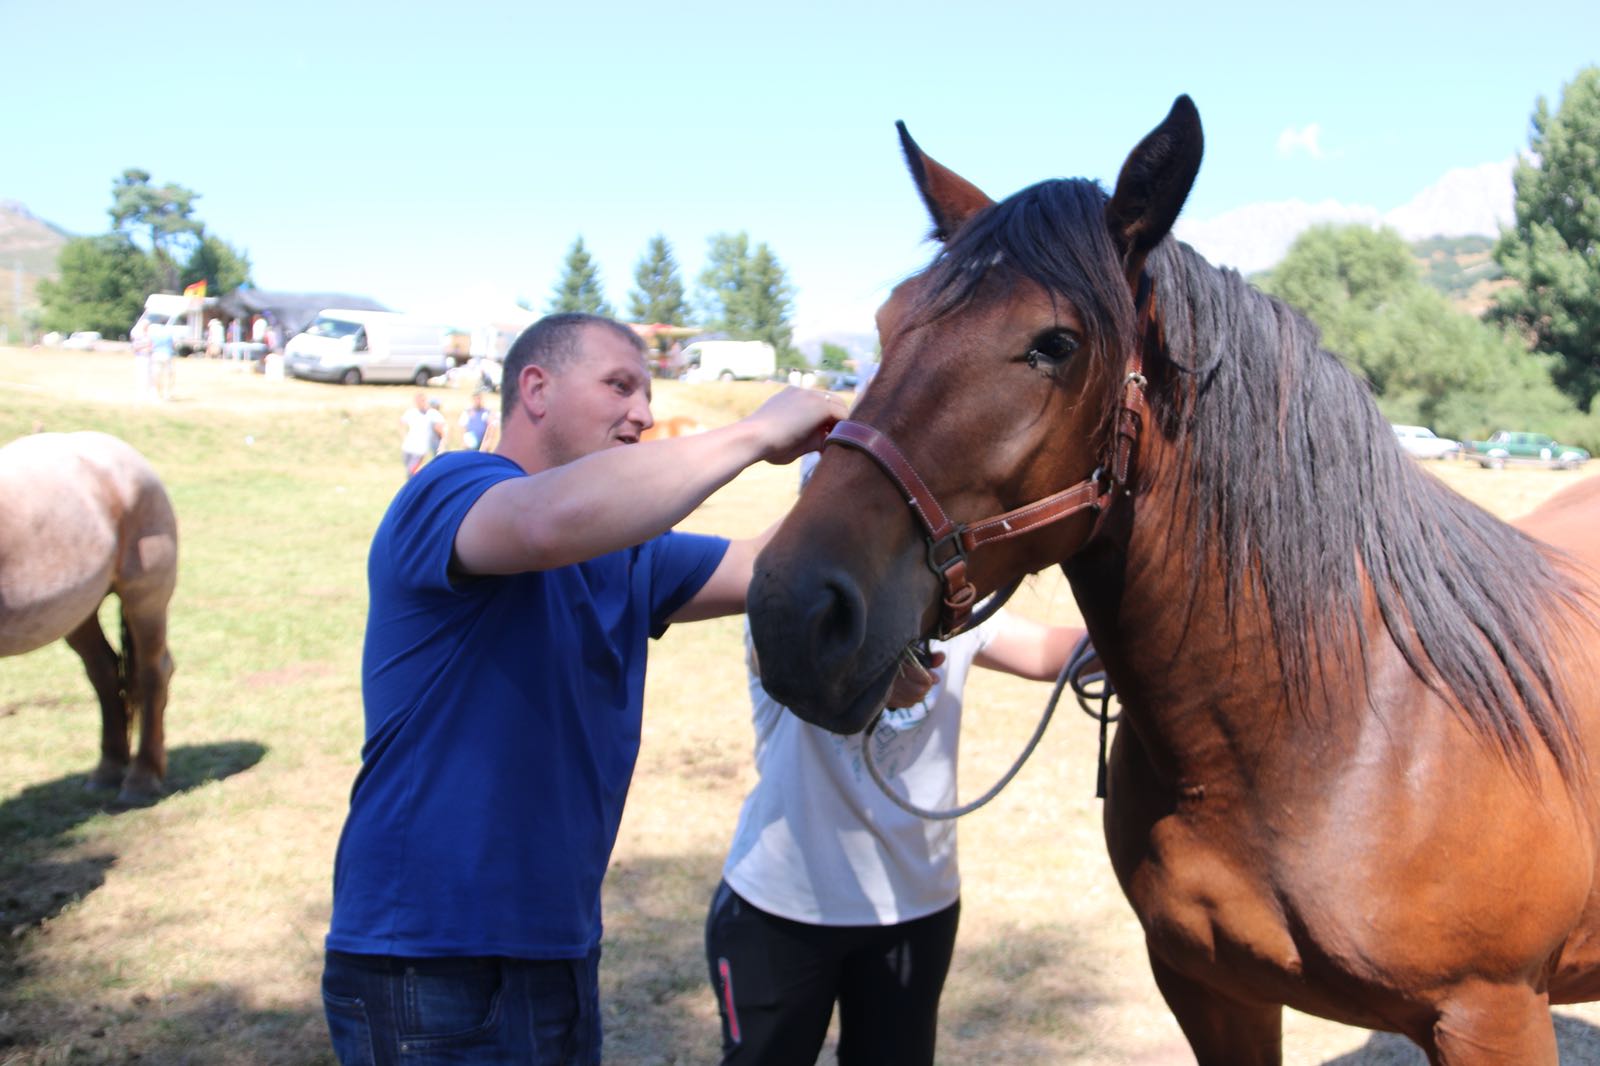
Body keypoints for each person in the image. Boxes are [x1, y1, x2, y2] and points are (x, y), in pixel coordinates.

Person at [321, 312, 844, 1065]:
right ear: (535, 388)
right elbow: (544, 522)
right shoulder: (451, 488)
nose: (645, 412)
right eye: (619, 385)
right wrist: (753, 432)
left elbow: (773, 567)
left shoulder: (628, 554)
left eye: (647, 392)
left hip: (559, 945)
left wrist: (861, 467)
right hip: (428, 955)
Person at [706, 608, 1084, 1066]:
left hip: (916, 908)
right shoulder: (798, 599)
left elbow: (1048, 652)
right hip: (782, 910)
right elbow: (782, 659)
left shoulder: (953, 611)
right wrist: (880, 672)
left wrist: (1165, 619)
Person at [399, 391, 445, 477]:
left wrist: (442, 443)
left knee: (411, 471)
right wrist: (404, 436)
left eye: (423, 400)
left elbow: (441, 428)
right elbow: (401, 423)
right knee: (408, 472)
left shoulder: (431, 413)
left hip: (420, 449)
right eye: (420, 401)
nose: (422, 403)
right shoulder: (411, 412)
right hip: (408, 447)